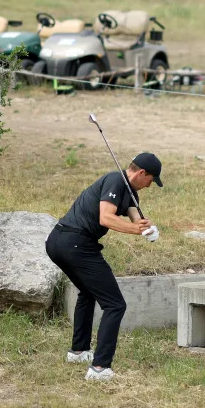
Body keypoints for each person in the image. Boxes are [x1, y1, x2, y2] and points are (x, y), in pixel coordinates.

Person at [45, 152, 163, 382]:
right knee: (115, 305)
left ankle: (78, 352)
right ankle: (100, 368)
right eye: (151, 180)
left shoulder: (129, 191)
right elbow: (106, 218)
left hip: (58, 242)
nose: (150, 185)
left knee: (88, 292)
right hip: (76, 243)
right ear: (141, 173)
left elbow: (134, 216)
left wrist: (147, 228)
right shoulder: (115, 180)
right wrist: (136, 230)